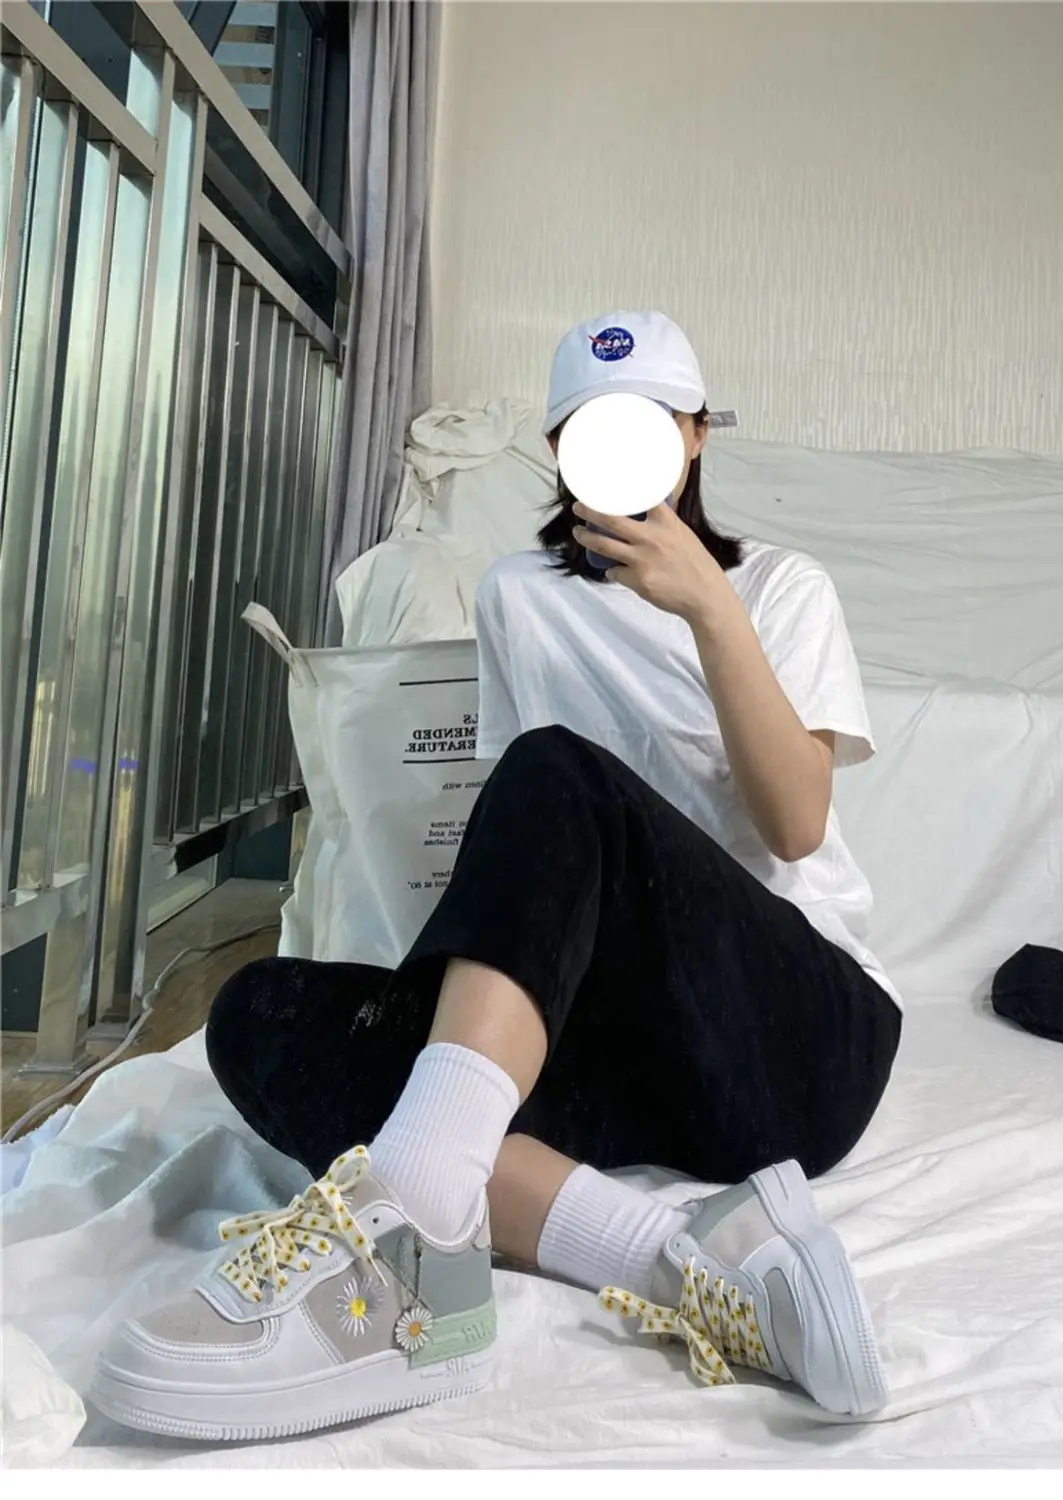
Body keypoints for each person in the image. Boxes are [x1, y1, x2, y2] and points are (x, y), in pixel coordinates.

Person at [92, 311, 902, 1443]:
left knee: (555, 771)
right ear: (560, 448)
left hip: (796, 1041)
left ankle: (416, 1222)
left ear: (694, 435)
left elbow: (795, 824)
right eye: (589, 431)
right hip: (621, 1043)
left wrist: (708, 608)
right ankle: (671, 1259)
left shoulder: (777, 587)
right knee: (260, 1013)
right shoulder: (519, 594)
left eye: (648, 425)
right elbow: (529, 857)